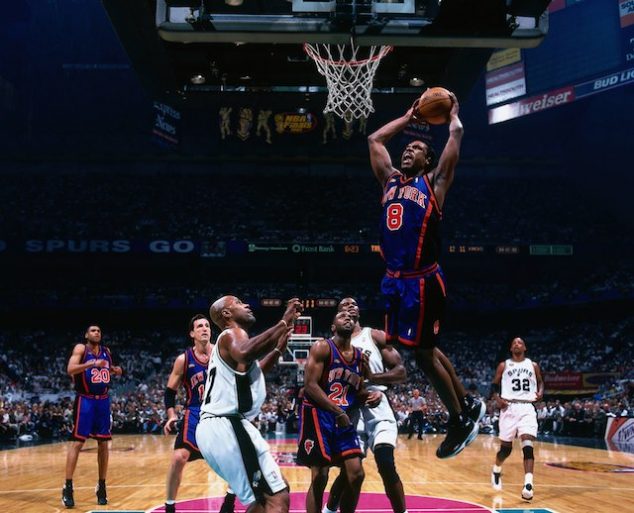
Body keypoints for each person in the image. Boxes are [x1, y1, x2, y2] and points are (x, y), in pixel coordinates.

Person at [367, 94, 485, 459]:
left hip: (423, 279)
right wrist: (408, 117)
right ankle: (466, 402)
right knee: (422, 348)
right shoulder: (389, 181)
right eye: (408, 147)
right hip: (395, 280)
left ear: (428, 160)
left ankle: (459, 418)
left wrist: (453, 115)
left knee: (421, 355)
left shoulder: (434, 184)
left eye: (417, 148)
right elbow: (374, 140)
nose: (408, 150)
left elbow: (457, 135)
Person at [196, 296, 301, 513]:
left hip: (223, 427)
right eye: (240, 303)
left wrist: (278, 350)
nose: (247, 305)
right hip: (226, 426)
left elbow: (255, 371)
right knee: (275, 498)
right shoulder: (232, 335)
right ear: (226, 314)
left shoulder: (231, 345)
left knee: (268, 496)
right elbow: (246, 351)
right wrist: (283, 322)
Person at [323, 297, 409, 513]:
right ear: (337, 316)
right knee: (349, 472)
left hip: (378, 407)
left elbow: (401, 372)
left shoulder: (374, 335)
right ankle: (330, 509)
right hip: (350, 411)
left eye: (354, 304)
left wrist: (374, 380)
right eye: (345, 305)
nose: (351, 306)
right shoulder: (330, 346)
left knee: (386, 463)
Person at [297, 309, 381, 513]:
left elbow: (358, 391)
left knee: (356, 474)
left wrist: (372, 396)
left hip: (343, 418)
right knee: (320, 476)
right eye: (342, 316)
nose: (348, 318)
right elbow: (310, 385)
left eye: (351, 317)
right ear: (333, 326)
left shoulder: (361, 358)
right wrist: (338, 412)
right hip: (318, 414)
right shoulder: (322, 347)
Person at [163, 314, 236, 513]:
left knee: (235, 457)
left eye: (207, 325)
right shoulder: (183, 359)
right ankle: (170, 506)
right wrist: (171, 415)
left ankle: (229, 502)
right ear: (192, 333)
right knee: (179, 457)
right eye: (199, 326)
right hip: (195, 411)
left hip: (221, 411)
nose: (204, 328)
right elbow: (170, 392)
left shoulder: (222, 353)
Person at [62, 325, 123, 508]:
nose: (97, 333)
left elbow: (107, 370)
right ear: (86, 335)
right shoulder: (81, 349)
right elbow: (71, 369)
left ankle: (102, 486)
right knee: (78, 442)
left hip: (103, 401)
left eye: (99, 331)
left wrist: (115, 370)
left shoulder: (106, 351)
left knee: (104, 444)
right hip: (85, 401)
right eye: (93, 331)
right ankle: (68, 486)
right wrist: (91, 364)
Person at [490, 337, 544, 500]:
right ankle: (496, 469)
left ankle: (528, 484)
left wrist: (540, 393)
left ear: (525, 347)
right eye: (514, 343)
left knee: (527, 443)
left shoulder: (533, 365)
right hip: (509, 408)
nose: (516, 344)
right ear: (510, 349)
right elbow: (494, 385)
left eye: (519, 342)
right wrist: (497, 399)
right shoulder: (503, 365)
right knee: (505, 450)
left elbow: (541, 382)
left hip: (527, 407)